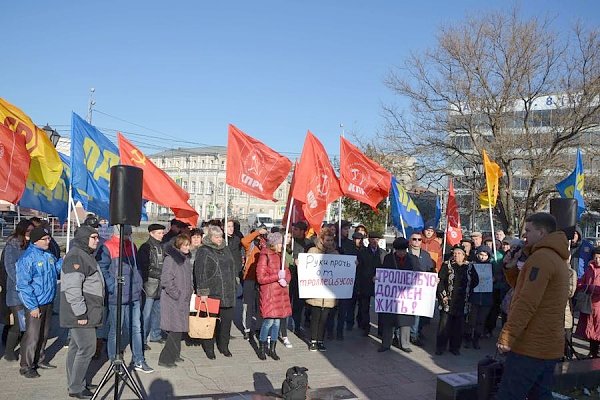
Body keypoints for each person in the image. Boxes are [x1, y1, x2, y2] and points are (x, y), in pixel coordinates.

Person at [496, 213, 570, 400]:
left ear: (542, 232)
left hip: (530, 347)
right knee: (540, 394)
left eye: (528, 231)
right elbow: (525, 289)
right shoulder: (553, 257)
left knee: (508, 395)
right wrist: (511, 268)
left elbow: (526, 302)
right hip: (548, 345)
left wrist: (507, 335)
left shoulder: (542, 258)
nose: (524, 236)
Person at [97, 226, 153, 373]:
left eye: (130, 233)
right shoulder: (108, 246)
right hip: (117, 296)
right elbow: (102, 269)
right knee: (116, 330)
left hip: (133, 294)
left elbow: (137, 267)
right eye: (127, 233)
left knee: (136, 328)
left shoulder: (132, 245)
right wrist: (113, 286)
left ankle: (139, 360)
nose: (130, 236)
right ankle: (114, 361)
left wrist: (139, 282)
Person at [60, 226, 103, 398]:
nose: (97, 240)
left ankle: (76, 382)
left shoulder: (84, 254)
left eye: (97, 237)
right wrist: (80, 314)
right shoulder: (76, 256)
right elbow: (72, 288)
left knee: (76, 347)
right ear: (85, 238)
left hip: (87, 309)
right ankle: (76, 387)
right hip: (81, 312)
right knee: (87, 348)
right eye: (93, 237)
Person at [16, 226, 63, 378]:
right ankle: (26, 366)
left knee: (44, 333)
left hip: (48, 301)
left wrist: (63, 260)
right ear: (36, 241)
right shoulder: (27, 258)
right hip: (35, 303)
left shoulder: (47, 255)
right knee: (32, 335)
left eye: (49, 238)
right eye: (45, 239)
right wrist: (32, 306)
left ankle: (39, 359)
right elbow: (23, 285)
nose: (49, 241)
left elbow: (55, 270)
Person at [194, 226, 237, 359]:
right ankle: (209, 348)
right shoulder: (204, 250)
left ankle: (224, 346)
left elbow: (232, 266)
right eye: (217, 237)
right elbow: (200, 272)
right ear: (210, 237)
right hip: (212, 292)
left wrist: (235, 280)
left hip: (228, 292)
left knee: (226, 322)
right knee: (209, 322)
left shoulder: (226, 248)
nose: (219, 240)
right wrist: (202, 292)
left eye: (221, 237)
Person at [158, 234, 194, 368]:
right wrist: (176, 294)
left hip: (182, 300)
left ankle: (175, 354)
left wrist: (189, 291)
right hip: (173, 301)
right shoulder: (171, 259)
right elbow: (166, 280)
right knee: (175, 330)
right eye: (184, 245)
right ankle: (165, 358)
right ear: (178, 245)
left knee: (179, 329)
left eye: (188, 244)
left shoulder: (184, 259)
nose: (187, 247)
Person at [435, 245, 478, 356]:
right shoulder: (447, 265)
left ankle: (455, 347)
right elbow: (440, 281)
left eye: (459, 253)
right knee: (444, 325)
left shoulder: (469, 267)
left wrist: (467, 290)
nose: (456, 255)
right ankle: (440, 347)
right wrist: (443, 295)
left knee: (458, 327)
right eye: (454, 253)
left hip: (462, 301)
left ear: (464, 255)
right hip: (448, 300)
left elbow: (475, 281)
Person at [256, 232, 291, 360]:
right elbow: (260, 278)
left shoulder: (281, 256)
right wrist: (277, 277)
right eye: (280, 243)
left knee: (277, 322)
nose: (282, 245)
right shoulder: (265, 256)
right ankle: (262, 347)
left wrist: (286, 279)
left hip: (280, 294)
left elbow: (287, 272)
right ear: (274, 244)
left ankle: (272, 349)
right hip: (270, 294)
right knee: (269, 321)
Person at [378, 238, 417, 353]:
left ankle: (404, 344)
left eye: (403, 250)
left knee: (405, 320)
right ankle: (386, 344)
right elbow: (384, 273)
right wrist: (378, 278)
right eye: (399, 250)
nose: (401, 253)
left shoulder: (412, 259)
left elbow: (419, 274)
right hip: (391, 295)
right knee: (388, 320)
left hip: (406, 295)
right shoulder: (389, 258)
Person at [3, 219, 33, 362]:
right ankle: (9, 351)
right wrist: (22, 283)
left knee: (26, 324)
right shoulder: (12, 246)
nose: (30, 234)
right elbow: (9, 268)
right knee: (19, 323)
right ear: (22, 231)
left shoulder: (30, 245)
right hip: (16, 292)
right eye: (28, 231)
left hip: (29, 292)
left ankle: (23, 350)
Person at [306, 227, 338, 351]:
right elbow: (307, 267)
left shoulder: (335, 254)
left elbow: (341, 271)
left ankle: (320, 340)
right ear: (321, 240)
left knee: (325, 318)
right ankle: (313, 340)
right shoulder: (313, 251)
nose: (329, 242)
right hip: (316, 291)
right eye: (327, 240)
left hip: (328, 293)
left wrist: (352, 265)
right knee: (315, 316)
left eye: (331, 240)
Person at [137, 223, 166, 351]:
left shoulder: (162, 246)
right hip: (149, 284)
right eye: (159, 233)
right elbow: (143, 266)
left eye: (162, 232)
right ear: (151, 233)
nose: (162, 235)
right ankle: (142, 339)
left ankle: (156, 334)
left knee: (158, 312)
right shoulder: (146, 247)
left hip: (160, 284)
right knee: (146, 314)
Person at [240, 227, 268, 340]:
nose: (260, 238)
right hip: (250, 279)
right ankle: (247, 329)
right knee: (248, 305)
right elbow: (244, 241)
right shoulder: (250, 246)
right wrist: (257, 232)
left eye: (262, 236)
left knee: (260, 305)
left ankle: (258, 327)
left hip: (261, 280)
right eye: (258, 236)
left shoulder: (265, 247)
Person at [356, 231, 386, 337]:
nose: (375, 241)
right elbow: (360, 270)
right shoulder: (362, 253)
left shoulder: (383, 253)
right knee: (364, 307)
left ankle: (381, 330)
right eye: (373, 239)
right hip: (366, 283)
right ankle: (366, 327)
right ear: (368, 240)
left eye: (377, 240)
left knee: (381, 308)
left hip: (379, 284)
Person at [408, 231, 435, 345]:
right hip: (406, 289)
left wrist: (434, 279)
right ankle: (400, 335)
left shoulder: (425, 255)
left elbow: (430, 270)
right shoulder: (405, 253)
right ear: (410, 240)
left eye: (419, 240)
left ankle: (414, 335)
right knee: (405, 313)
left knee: (417, 314)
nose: (417, 242)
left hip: (420, 289)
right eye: (414, 239)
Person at [464, 246, 493, 349]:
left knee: (481, 321)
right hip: (474, 297)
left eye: (485, 255)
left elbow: (499, 276)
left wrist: (493, 278)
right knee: (471, 319)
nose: (483, 257)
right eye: (481, 255)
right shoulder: (472, 266)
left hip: (486, 298)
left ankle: (476, 339)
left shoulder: (492, 266)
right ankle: (468, 338)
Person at [574, 248, 600, 359]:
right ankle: (593, 352)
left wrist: (594, 289)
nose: (598, 260)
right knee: (591, 330)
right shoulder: (589, 269)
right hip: (589, 304)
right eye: (596, 257)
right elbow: (581, 281)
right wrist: (582, 286)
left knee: (598, 329)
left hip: (598, 305)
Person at [288, 221, 311, 334]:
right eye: (294, 229)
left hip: (302, 278)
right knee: (287, 301)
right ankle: (284, 326)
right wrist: (292, 260)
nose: (294, 231)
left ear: (303, 231)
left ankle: (296, 325)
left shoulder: (309, 244)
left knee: (298, 304)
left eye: (296, 229)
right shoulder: (290, 242)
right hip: (289, 276)